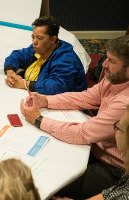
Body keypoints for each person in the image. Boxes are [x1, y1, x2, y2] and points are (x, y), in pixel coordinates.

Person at [20, 35, 129, 199]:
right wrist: (46, 100)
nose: (104, 65)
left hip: (112, 168)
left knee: (46, 180)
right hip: (94, 148)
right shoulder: (114, 79)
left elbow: (83, 133)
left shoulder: (124, 103)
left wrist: (38, 119)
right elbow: (85, 98)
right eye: (106, 58)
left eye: (112, 62)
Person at [53, 104, 129, 200]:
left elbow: (82, 133)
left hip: (110, 168)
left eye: (118, 126)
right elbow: (111, 192)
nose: (115, 126)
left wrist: (38, 120)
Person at [4, 16, 87, 95]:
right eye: (33, 37)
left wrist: (24, 84)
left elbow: (57, 86)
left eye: (39, 38)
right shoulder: (39, 47)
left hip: (68, 105)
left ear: (53, 39)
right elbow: (17, 55)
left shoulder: (66, 59)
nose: (34, 42)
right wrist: (10, 72)